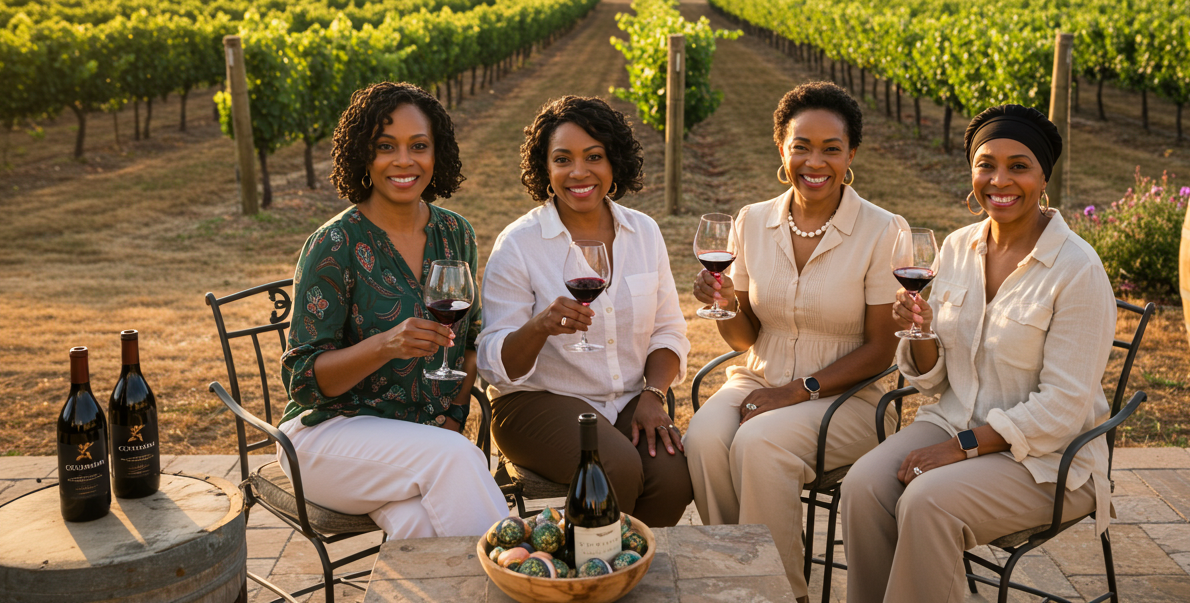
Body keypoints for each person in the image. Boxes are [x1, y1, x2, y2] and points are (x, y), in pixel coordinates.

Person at [841, 104, 1117, 603]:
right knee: (863, 486)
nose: (999, 179)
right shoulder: (956, 247)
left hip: (1047, 459)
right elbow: (934, 378)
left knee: (928, 502)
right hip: (954, 418)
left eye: (1018, 166)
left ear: (1042, 176)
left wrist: (958, 449)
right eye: (986, 164)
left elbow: (1062, 408)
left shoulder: (1077, 269)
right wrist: (920, 334)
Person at [682, 81, 905, 602]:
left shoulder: (883, 230)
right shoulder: (751, 221)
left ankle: (782, 594)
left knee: (761, 444)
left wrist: (798, 391)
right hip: (760, 375)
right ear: (781, 147)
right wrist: (725, 303)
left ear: (851, 154)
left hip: (854, 397)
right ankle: (738, 577)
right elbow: (744, 336)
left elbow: (881, 349)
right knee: (705, 440)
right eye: (801, 145)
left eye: (831, 148)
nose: (815, 161)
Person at [278, 82, 509, 540]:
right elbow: (303, 381)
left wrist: (454, 416)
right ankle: (525, 574)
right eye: (386, 147)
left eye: (418, 146)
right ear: (364, 157)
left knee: (421, 529)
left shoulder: (455, 233)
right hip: (327, 437)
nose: (404, 161)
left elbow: (470, 342)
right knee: (458, 459)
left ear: (435, 154)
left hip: (417, 441)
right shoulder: (334, 245)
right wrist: (385, 345)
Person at [477, 95, 693, 527]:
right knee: (615, 468)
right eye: (563, 159)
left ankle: (631, 569)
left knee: (674, 478)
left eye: (594, 157)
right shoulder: (520, 244)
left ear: (615, 163)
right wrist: (540, 327)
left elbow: (668, 332)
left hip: (628, 398)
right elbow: (494, 364)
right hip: (534, 402)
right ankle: (587, 576)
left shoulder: (644, 232)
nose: (579, 172)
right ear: (545, 168)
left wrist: (653, 395)